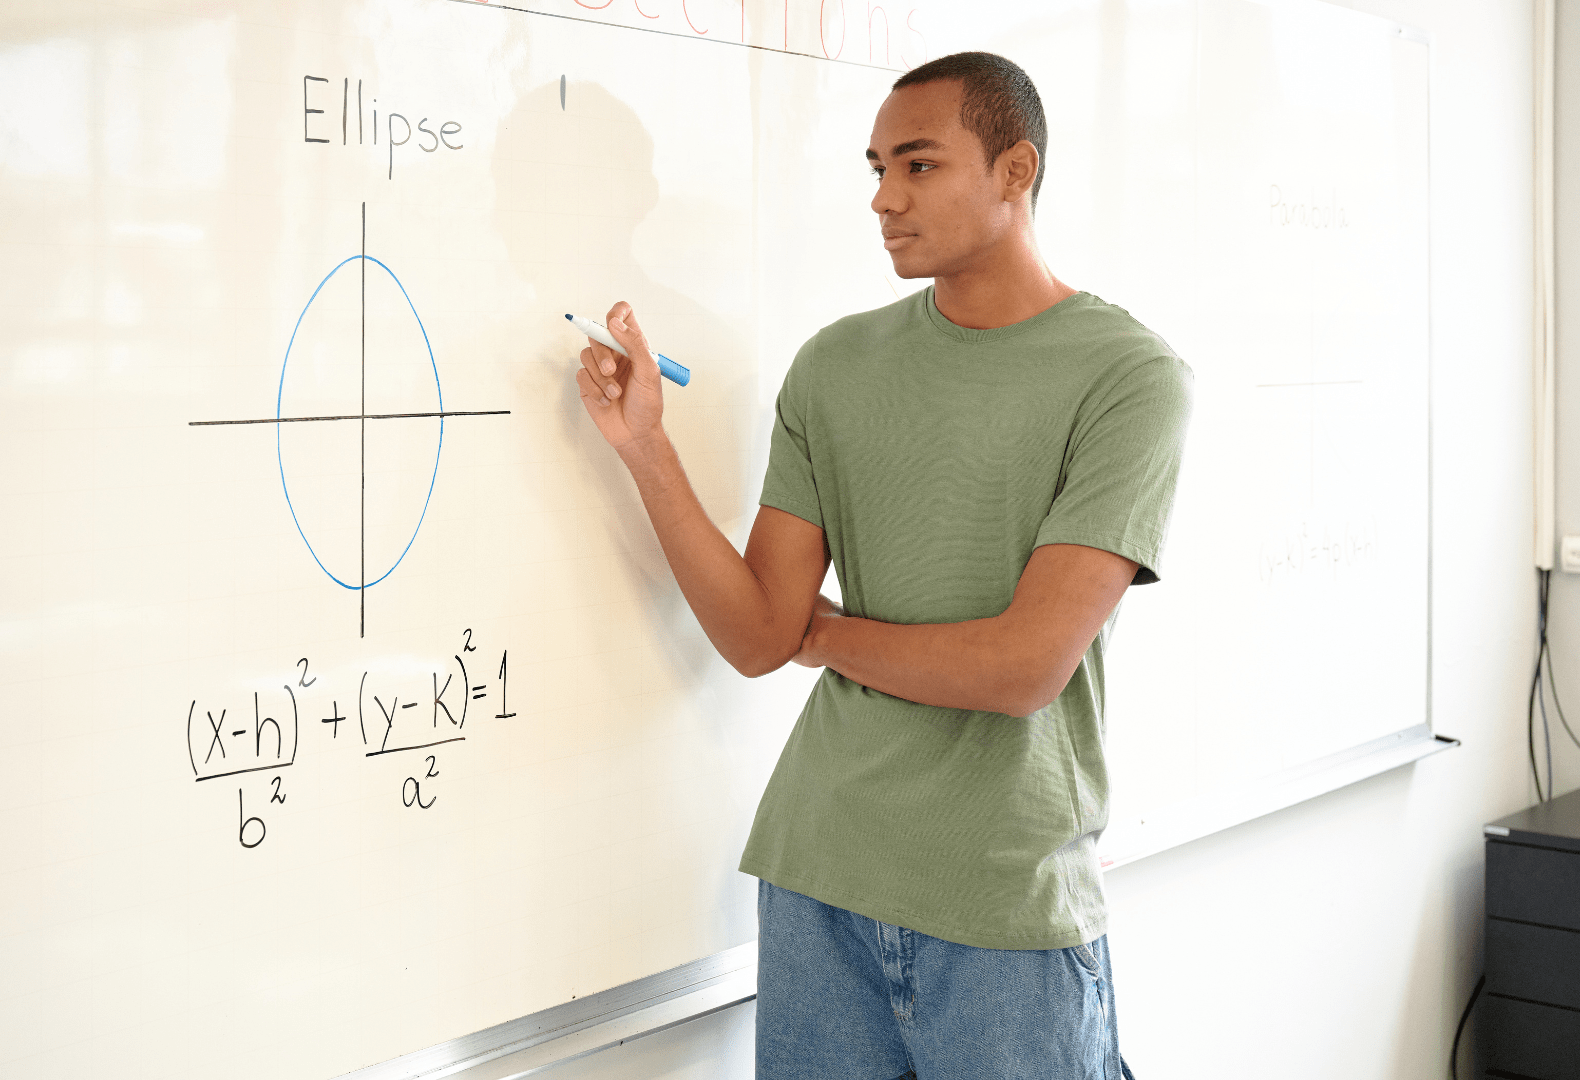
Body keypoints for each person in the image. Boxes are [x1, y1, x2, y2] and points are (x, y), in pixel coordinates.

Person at [572, 50, 1191, 1080]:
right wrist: (646, 449)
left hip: (1001, 900)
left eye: (916, 166)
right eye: (874, 170)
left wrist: (824, 633)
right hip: (821, 871)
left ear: (1013, 170)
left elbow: (1018, 669)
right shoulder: (836, 365)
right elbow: (755, 635)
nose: (882, 200)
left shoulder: (1127, 377)